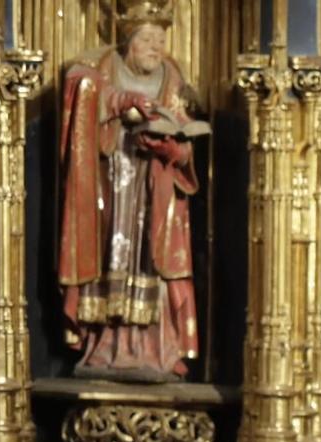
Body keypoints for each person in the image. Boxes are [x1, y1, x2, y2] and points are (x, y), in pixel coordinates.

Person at [57, 0, 200, 382]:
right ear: (127, 40)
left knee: (154, 262)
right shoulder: (101, 67)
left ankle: (158, 350)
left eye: (162, 39)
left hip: (155, 189)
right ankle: (104, 346)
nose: (157, 47)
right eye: (149, 39)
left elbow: (185, 131)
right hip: (111, 188)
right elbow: (82, 89)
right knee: (110, 259)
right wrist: (122, 103)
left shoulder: (172, 76)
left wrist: (176, 149)